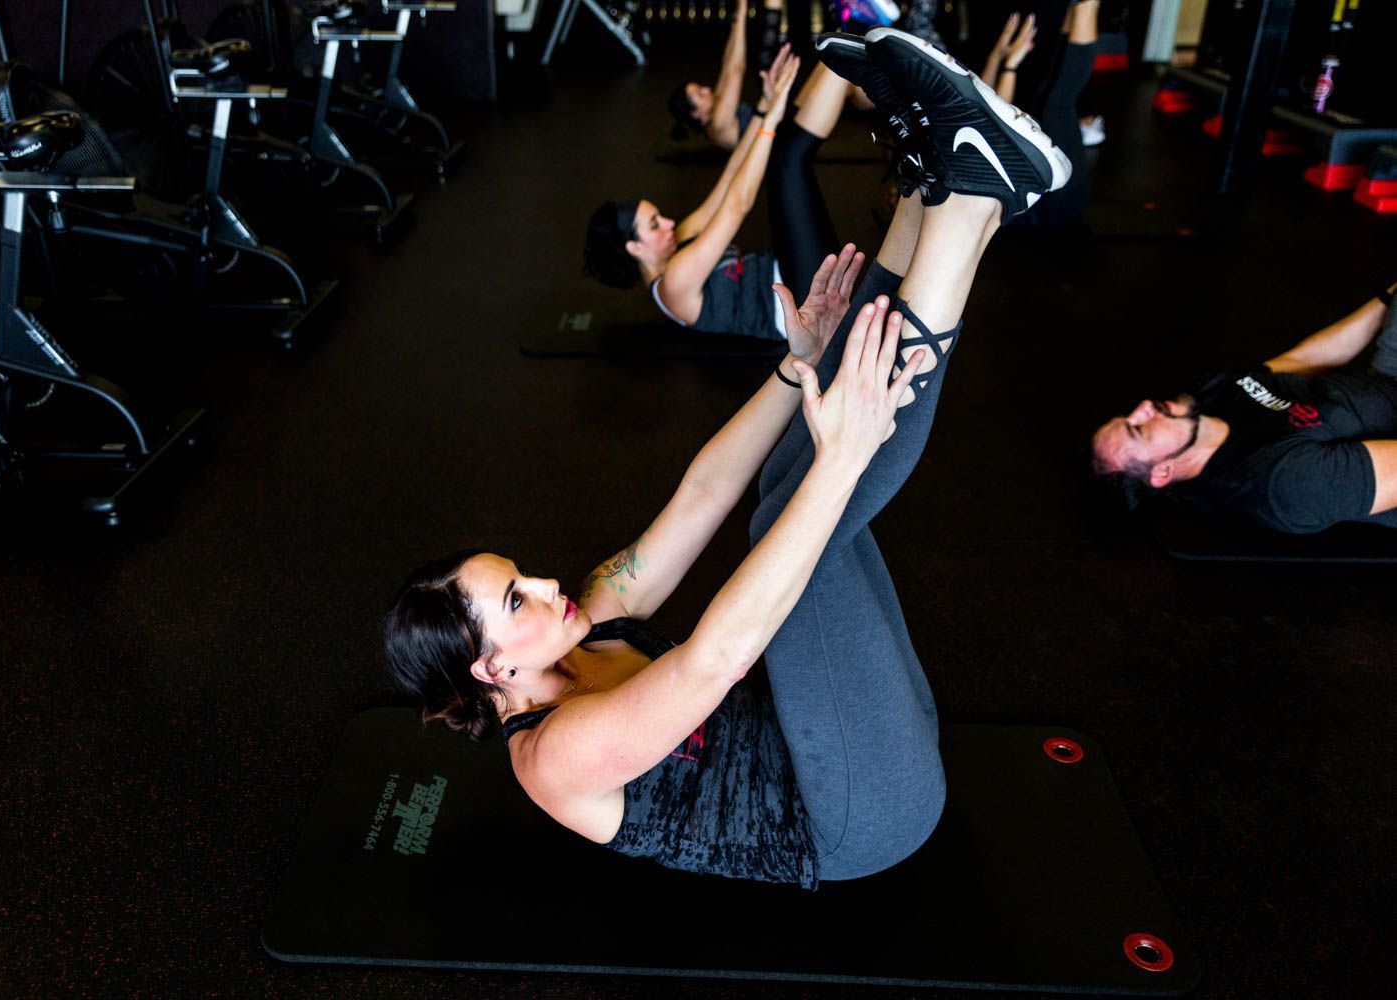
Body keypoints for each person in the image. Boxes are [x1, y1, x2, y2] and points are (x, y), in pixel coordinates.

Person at [384, 29, 1070, 887]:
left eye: (526, 574)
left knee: (790, 481)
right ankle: (971, 199)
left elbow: (704, 491)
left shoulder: (582, 629)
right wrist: (841, 457)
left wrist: (797, 363)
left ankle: (940, 195)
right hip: (859, 818)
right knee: (801, 508)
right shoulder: (553, 759)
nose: (553, 586)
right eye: (520, 597)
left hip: (856, 733)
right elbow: (718, 658)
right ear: (491, 671)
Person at [587, 50, 891, 342]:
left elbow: (731, 178)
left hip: (787, 268)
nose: (668, 222)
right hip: (798, 310)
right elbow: (737, 206)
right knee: (786, 159)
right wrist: (770, 122)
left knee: (782, 142)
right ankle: (852, 66)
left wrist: (764, 106)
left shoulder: (679, 238)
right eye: (654, 225)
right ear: (634, 247)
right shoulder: (673, 284)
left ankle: (842, 60)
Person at [1091, 281, 1397, 534]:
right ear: (1163, 471)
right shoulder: (1285, 483)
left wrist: (1387, 298)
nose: (1144, 406)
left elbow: (1303, 361)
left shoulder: (1206, 398)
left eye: (1128, 414)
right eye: (1139, 428)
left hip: (1386, 379)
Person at [979, 2, 1098, 226]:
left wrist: (997, 56)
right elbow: (1001, 123)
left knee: (1046, 97)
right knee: (1057, 106)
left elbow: (982, 99)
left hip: (1035, 186)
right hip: (1056, 205)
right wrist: (1010, 65)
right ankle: (1087, 6)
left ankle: (1074, 9)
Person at [668, 0, 786, 150]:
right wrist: (742, 9)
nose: (706, 89)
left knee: (764, 62)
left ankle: (773, 5)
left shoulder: (715, 115)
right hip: (786, 139)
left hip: (783, 126)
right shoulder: (719, 124)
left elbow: (728, 65)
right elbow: (736, 70)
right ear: (695, 114)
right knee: (764, 63)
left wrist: (740, 10)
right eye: (700, 94)